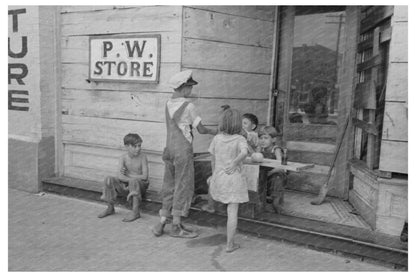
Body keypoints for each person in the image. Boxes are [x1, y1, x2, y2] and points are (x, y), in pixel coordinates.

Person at [152, 70, 217, 239]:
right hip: (182, 151)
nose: (191, 91)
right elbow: (201, 129)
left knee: (169, 186)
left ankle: (161, 222)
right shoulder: (189, 106)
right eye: (190, 87)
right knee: (183, 186)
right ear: (184, 88)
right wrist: (216, 131)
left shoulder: (167, 103)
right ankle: (175, 226)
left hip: (168, 149)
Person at [208, 108, 249, 253]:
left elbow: (212, 160)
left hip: (220, 177)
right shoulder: (240, 139)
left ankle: (229, 242)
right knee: (233, 212)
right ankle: (230, 244)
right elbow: (244, 152)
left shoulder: (217, 138)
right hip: (234, 179)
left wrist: (213, 176)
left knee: (226, 209)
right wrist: (235, 162)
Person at [98, 133, 149, 222]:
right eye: (134, 146)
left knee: (134, 181)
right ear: (126, 146)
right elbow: (120, 176)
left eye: (139, 146)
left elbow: (144, 177)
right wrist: (127, 180)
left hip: (140, 187)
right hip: (127, 186)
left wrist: (128, 175)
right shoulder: (123, 158)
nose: (138, 148)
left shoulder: (143, 157)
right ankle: (110, 208)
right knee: (108, 179)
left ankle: (135, 212)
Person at [257, 126, 287, 214]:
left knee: (277, 179)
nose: (262, 140)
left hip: (276, 173)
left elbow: (280, 166)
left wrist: (270, 172)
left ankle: (276, 204)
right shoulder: (261, 149)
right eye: (260, 138)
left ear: (273, 140)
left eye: (266, 138)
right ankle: (260, 201)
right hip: (265, 173)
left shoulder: (276, 150)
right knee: (258, 176)